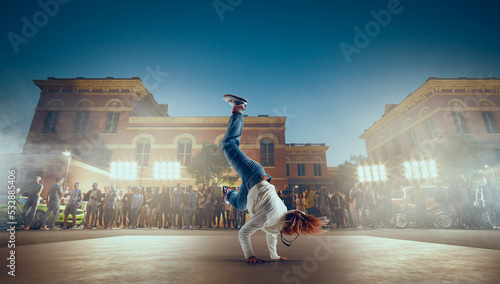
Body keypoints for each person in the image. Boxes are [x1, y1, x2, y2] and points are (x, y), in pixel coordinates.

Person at [220, 94, 326, 263]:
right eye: (291, 233)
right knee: (228, 144)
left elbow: (272, 236)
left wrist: (274, 256)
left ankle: (227, 192)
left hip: (253, 186)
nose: (289, 234)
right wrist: (250, 255)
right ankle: (238, 109)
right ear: (286, 227)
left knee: (240, 204)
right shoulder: (270, 216)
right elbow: (243, 233)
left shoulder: (280, 220)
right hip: (253, 174)